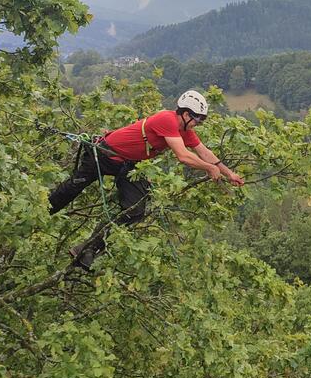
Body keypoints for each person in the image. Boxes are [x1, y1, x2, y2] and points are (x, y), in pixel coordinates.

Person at [49, 90, 244, 268]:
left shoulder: (185, 131)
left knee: (136, 210)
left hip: (127, 165)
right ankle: (45, 208)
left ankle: (87, 250)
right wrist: (209, 169)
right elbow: (183, 156)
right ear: (185, 114)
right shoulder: (167, 120)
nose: (197, 124)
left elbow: (204, 152)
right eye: (197, 120)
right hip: (104, 154)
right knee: (73, 188)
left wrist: (229, 173)